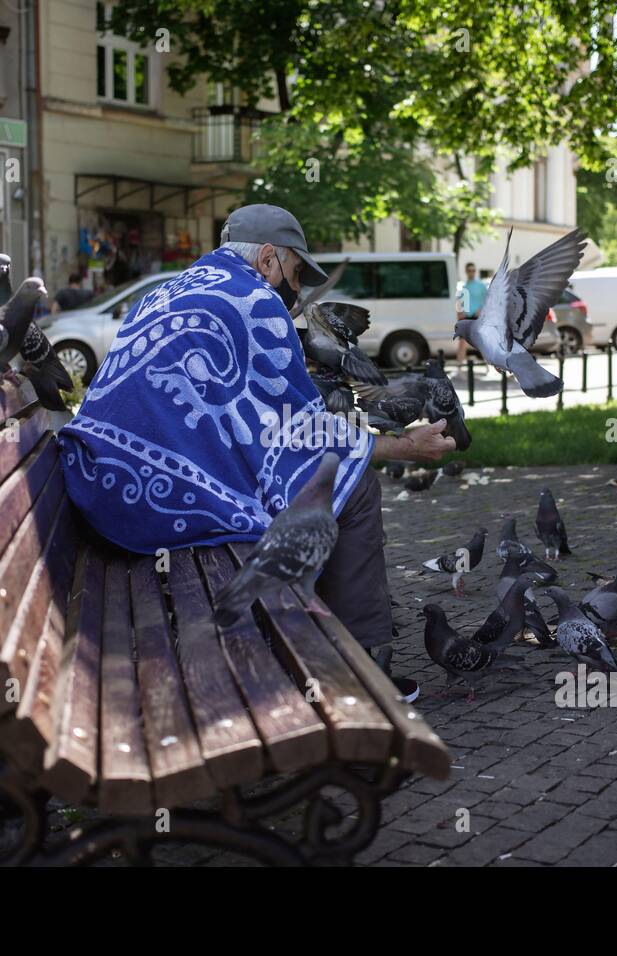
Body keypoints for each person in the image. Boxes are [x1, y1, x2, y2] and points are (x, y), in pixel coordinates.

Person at [59, 204, 453, 698]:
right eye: (293, 272)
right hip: (152, 510)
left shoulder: (165, 292)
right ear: (267, 258)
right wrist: (402, 447)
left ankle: (321, 643)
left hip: (99, 487)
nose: (296, 291)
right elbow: (302, 432)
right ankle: (359, 665)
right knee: (349, 488)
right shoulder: (253, 300)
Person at [456, 262, 486, 364]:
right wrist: (459, 313)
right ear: (466, 271)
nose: (471, 272)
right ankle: (460, 365)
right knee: (462, 342)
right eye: (469, 270)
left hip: (477, 317)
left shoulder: (481, 286)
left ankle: (489, 365)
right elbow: (459, 302)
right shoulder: (463, 286)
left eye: (473, 270)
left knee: (480, 342)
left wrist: (480, 310)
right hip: (465, 317)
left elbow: (487, 300)